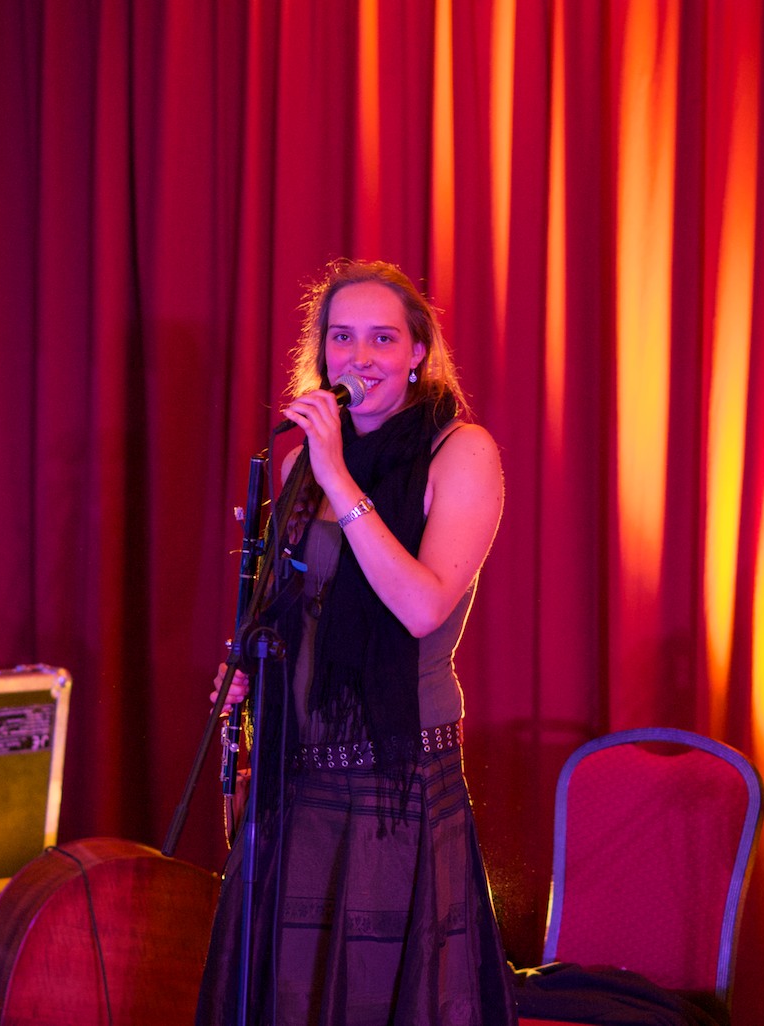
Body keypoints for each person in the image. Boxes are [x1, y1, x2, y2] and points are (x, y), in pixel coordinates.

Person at [195, 259, 515, 1025]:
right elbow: (292, 606)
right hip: (296, 766)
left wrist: (338, 478)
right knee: (284, 989)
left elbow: (421, 607)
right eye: (341, 338)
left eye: (382, 338)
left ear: (417, 352)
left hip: (392, 764)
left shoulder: (460, 452)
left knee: (378, 993)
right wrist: (249, 668)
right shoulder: (297, 462)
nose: (359, 357)